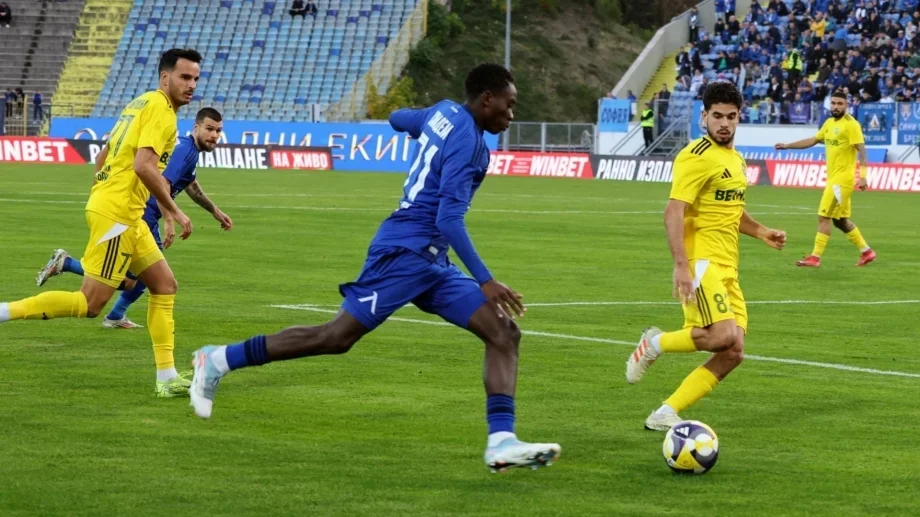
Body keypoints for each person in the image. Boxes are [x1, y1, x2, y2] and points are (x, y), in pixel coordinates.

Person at [186, 63, 561, 473]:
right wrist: (486, 281)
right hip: (404, 253)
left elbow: (398, 118)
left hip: (432, 261)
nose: (511, 115)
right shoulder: (470, 144)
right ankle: (219, 359)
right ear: (487, 99)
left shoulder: (442, 112)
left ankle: (501, 441)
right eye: (509, 105)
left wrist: (424, 132)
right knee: (336, 337)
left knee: (503, 333)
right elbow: (449, 220)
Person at [0, 48, 201, 398]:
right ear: (165, 77)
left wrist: (102, 188)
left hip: (126, 213)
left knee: (165, 285)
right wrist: (175, 211)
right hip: (118, 216)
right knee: (90, 304)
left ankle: (167, 377)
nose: (192, 84)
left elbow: (105, 152)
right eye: (185, 77)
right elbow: (143, 166)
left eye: (196, 78)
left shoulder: (140, 103)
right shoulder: (161, 111)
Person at [625, 82, 787, 431]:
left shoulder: (736, 159)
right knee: (722, 336)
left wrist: (762, 232)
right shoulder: (696, 156)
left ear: (739, 117)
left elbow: (732, 212)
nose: (724, 123)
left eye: (731, 116)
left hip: (728, 265)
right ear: (704, 117)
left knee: (733, 351)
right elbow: (673, 211)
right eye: (717, 116)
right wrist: (681, 266)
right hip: (701, 261)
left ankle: (665, 412)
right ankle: (654, 343)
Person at [36, 108, 233, 329]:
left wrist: (215, 212)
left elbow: (191, 185)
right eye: (209, 129)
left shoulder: (188, 150)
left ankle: (109, 308)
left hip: (144, 213)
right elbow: (163, 183)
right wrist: (170, 220)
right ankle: (77, 275)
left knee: (138, 279)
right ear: (196, 127)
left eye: (218, 131)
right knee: (143, 279)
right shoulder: (186, 150)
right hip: (142, 214)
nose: (214, 135)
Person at [775, 90, 876, 267]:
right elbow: (813, 140)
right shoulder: (829, 123)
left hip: (841, 181)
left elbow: (862, 150)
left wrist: (863, 176)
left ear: (847, 105)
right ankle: (866, 252)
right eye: (833, 103)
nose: (836, 107)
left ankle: (815, 257)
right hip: (834, 179)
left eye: (840, 104)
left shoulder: (852, 125)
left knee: (824, 216)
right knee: (840, 221)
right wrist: (787, 146)